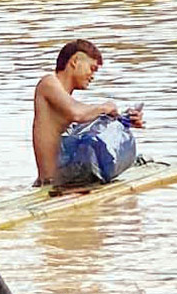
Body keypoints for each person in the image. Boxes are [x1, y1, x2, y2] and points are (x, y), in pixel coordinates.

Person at [33, 39, 144, 185]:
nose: (92, 76)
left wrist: (123, 120)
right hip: (51, 183)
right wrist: (106, 107)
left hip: (69, 179)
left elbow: (87, 127)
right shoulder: (48, 83)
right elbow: (77, 113)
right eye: (92, 68)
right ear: (75, 61)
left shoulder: (64, 99)